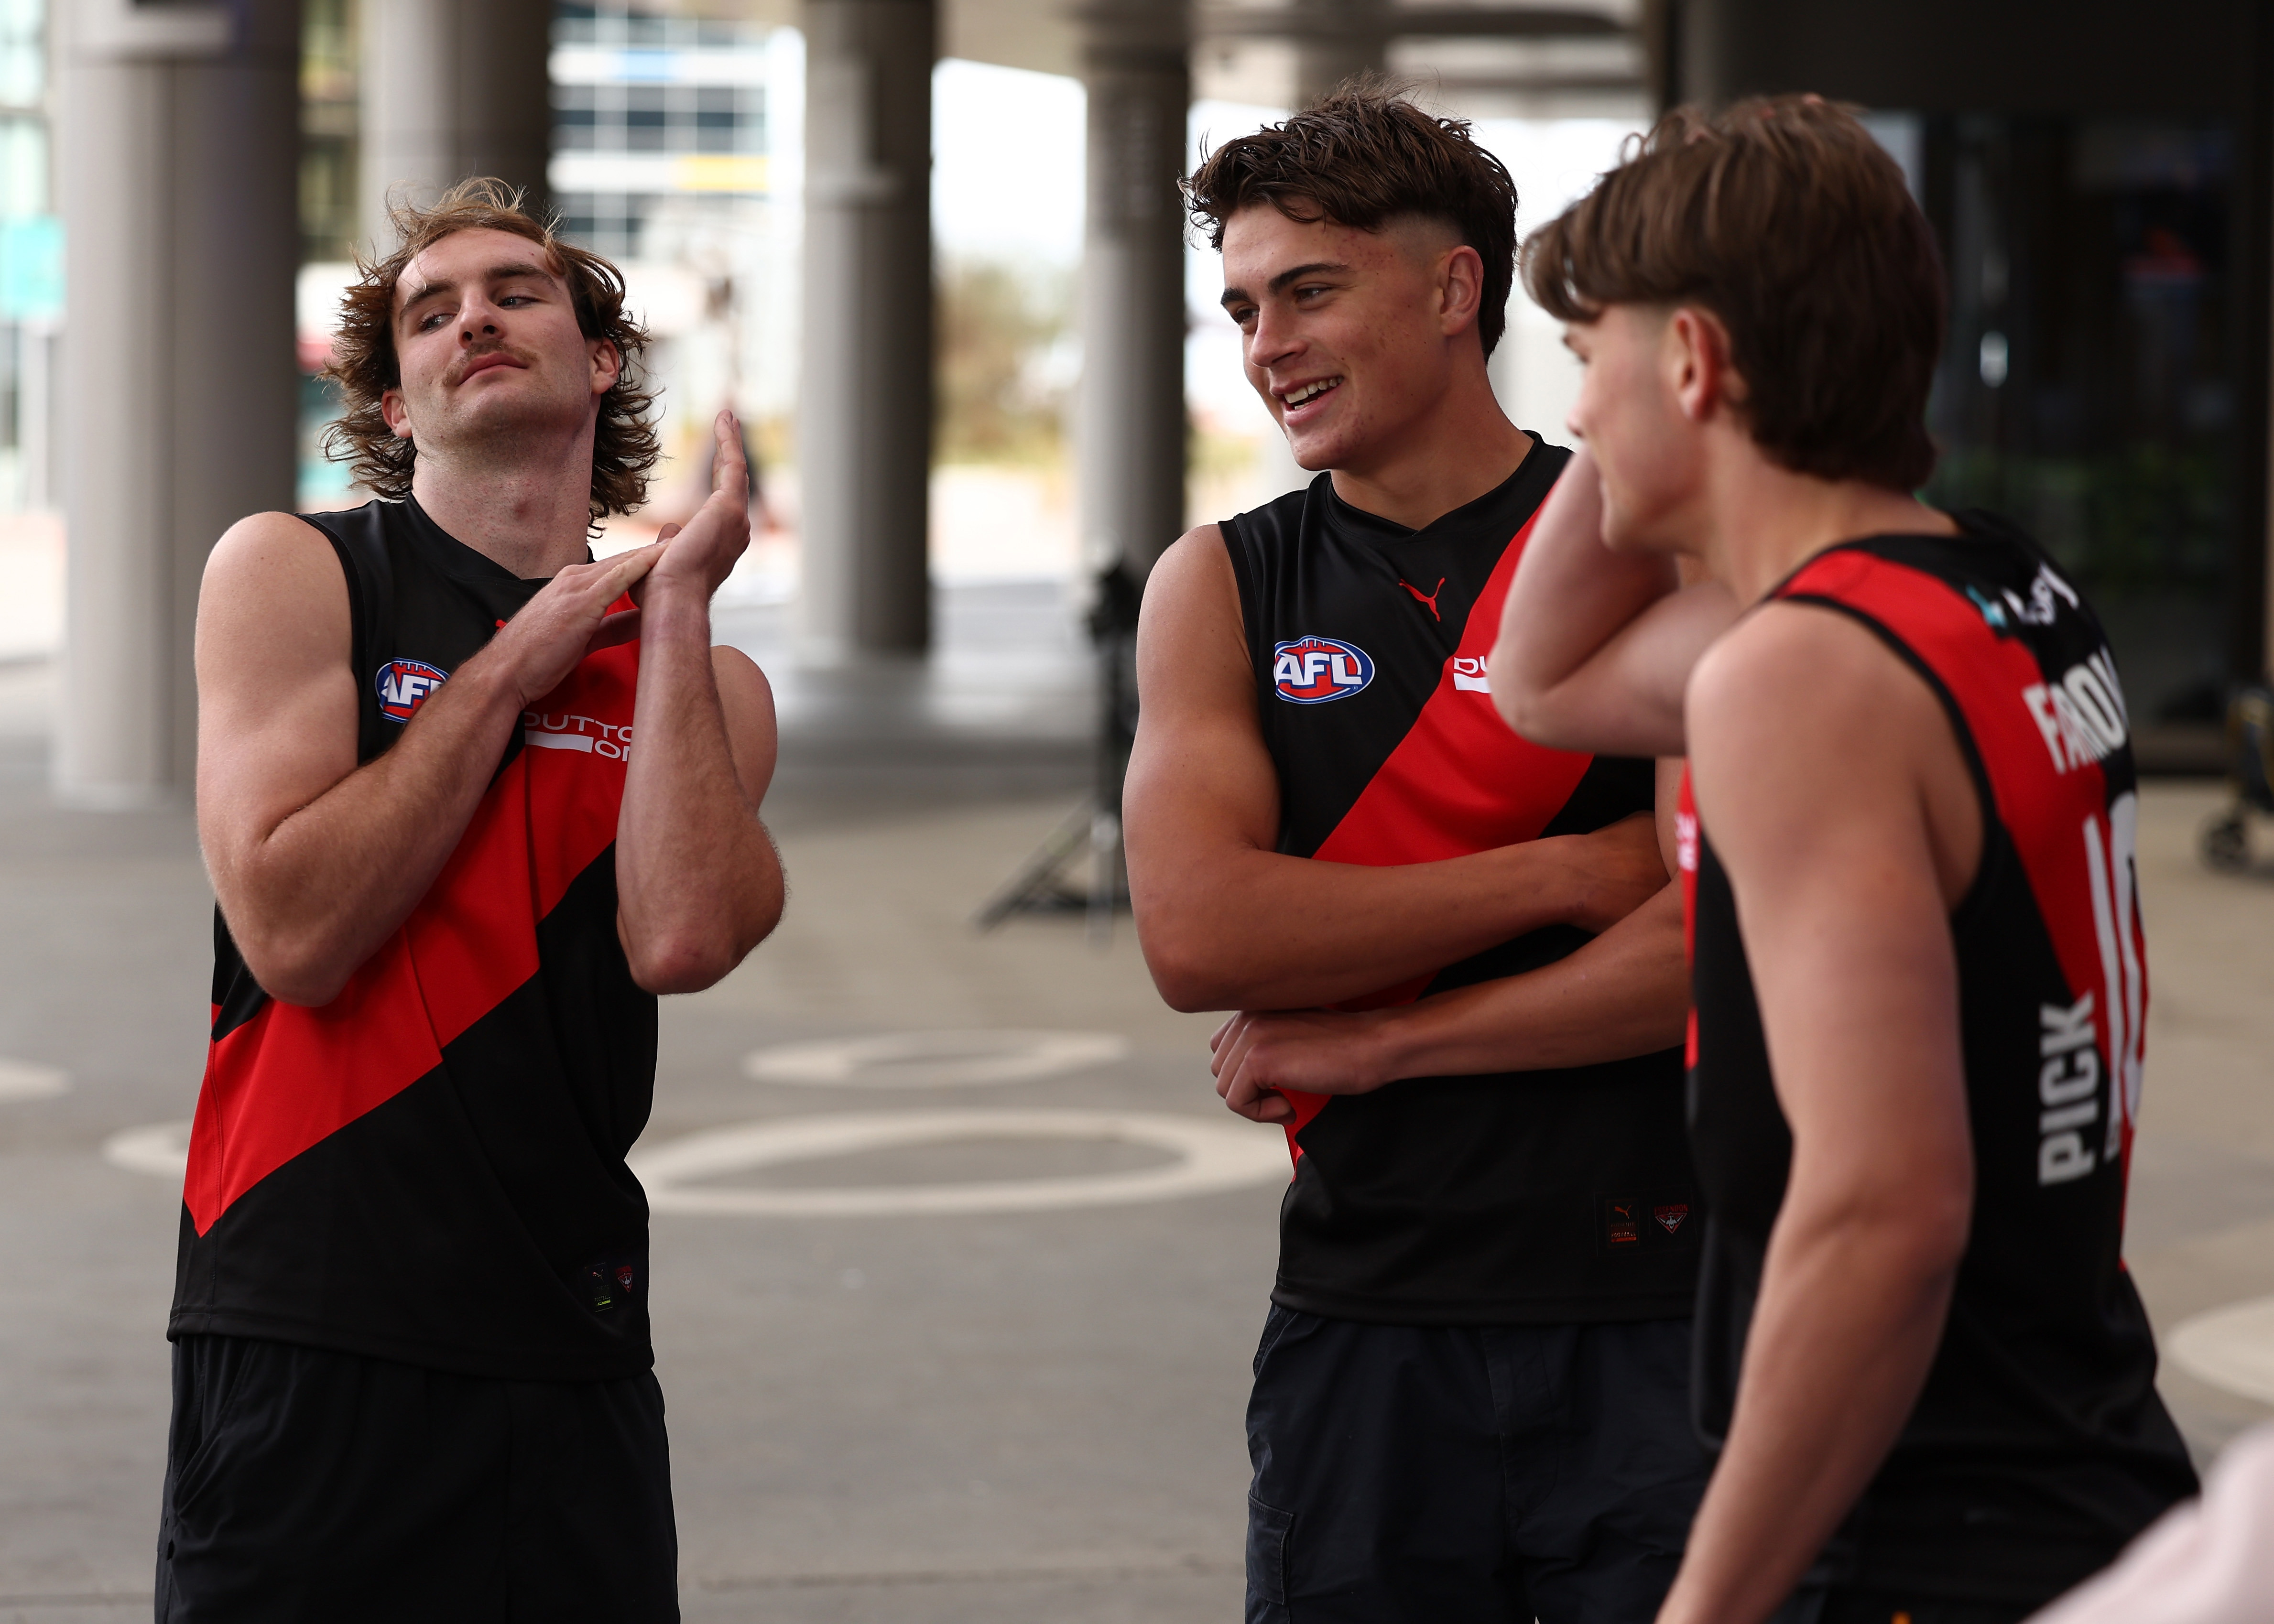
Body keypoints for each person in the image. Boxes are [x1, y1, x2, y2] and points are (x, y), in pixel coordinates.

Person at [1492, 97, 2198, 1624]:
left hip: (1927, 1535)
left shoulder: (1799, 676)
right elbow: (1541, 685)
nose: (1573, 420)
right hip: (2080, 1463)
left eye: (1586, 363)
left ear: (1692, 363)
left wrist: (1708, 1606)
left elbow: (1882, 1212)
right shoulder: (1994, 585)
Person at [161, 179, 784, 1621]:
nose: (473, 321)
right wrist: (514, 664)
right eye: (427, 315)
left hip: (570, 1340)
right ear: (391, 404)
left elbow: (681, 934)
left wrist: (671, 614)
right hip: (313, 1319)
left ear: (604, 361)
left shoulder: (703, 680)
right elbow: (294, 932)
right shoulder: (299, 571)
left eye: (515, 293)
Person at [1124, 87, 1708, 1623]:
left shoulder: (1651, 550)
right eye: (1244, 307)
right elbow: (1200, 937)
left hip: (1653, 1304)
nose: (1266, 346)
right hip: (1364, 1321)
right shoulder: (1221, 584)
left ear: (1455, 289)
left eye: (1309, 290)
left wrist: (1384, 1037)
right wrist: (1572, 876)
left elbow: (1701, 953)